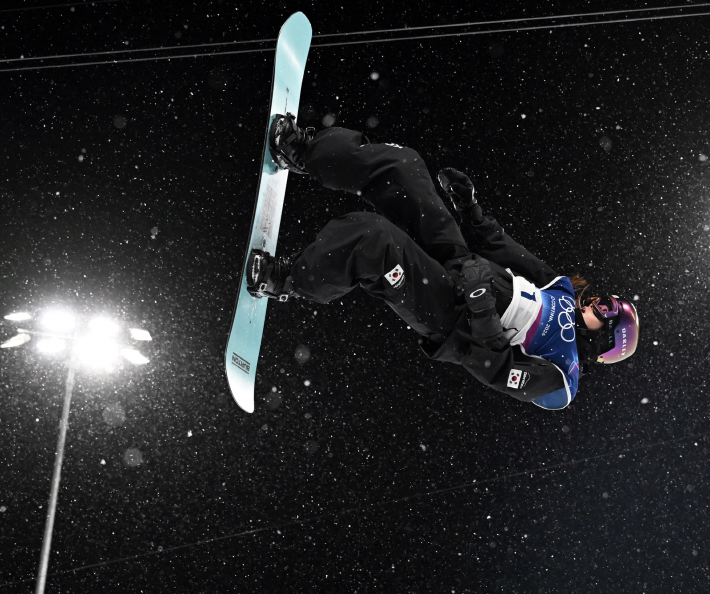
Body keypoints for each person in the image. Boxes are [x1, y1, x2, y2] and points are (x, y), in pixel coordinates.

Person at [245, 116, 641, 409]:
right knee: (405, 168)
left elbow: (496, 370)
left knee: (374, 238)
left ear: (608, 339)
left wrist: (482, 305)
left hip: (455, 316)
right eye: (603, 298)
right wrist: (469, 207)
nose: (595, 302)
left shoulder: (563, 378)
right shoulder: (561, 290)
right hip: (465, 266)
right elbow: (499, 245)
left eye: (605, 308)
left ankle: (286, 281)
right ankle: (303, 152)